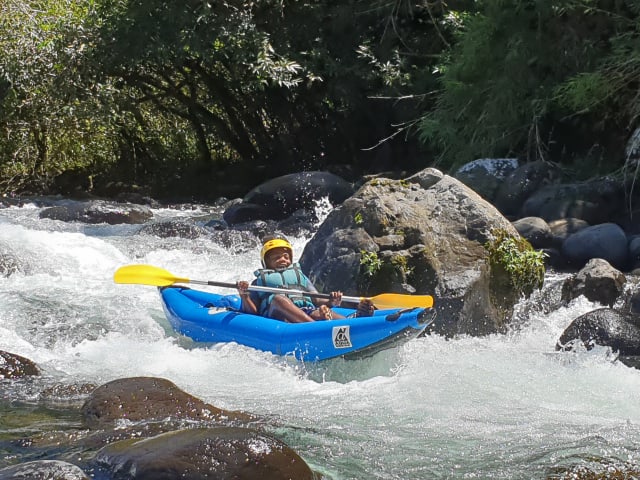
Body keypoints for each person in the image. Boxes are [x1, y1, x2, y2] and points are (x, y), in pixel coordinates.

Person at [236, 236, 374, 323]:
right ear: (266, 263)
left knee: (322, 310)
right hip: (277, 316)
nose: (283, 259)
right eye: (276, 257)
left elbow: (317, 299)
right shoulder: (258, 282)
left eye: (285, 256)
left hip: (304, 312)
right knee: (278, 299)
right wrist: (245, 296)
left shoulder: (301, 277)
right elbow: (252, 313)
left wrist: (332, 301)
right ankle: (316, 328)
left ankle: (357, 319)